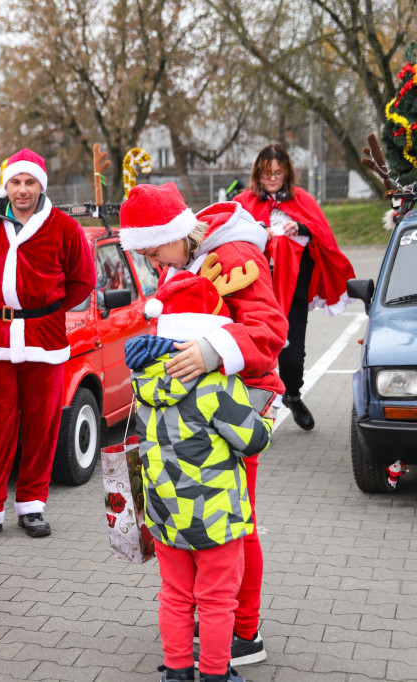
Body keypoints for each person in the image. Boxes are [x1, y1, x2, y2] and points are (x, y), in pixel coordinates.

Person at [120, 183, 288, 667]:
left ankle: (243, 629)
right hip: (200, 406)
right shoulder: (179, 254)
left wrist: (212, 350)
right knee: (211, 524)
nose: (156, 263)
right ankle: (213, 615)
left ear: (176, 233)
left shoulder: (232, 254)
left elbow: (270, 329)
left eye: (155, 251)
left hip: (240, 401)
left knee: (237, 525)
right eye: (147, 255)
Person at [124, 270, 270, 682]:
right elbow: (252, 439)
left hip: (166, 515)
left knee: (174, 596)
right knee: (217, 601)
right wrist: (268, 418)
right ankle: (213, 674)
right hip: (215, 516)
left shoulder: (143, 384)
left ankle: (176, 672)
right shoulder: (215, 385)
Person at [0, 148, 95, 538]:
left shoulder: (64, 227)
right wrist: (0, 300)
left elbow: (82, 280)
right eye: (16, 182)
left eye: (30, 182)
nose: (22, 190)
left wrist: (46, 308)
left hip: (45, 338)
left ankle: (31, 506)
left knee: (42, 426)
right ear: (5, 185)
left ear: (41, 186)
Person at [234, 143, 356, 431]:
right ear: (258, 174)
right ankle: (258, 412)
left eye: (277, 172)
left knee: (292, 354)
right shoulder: (244, 201)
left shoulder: (302, 199)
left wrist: (299, 228)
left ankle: (292, 395)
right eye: (266, 173)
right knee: (257, 353)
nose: (272, 178)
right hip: (256, 292)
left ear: (286, 172)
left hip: (294, 291)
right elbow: (229, 237)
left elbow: (322, 235)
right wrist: (257, 232)